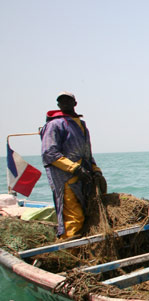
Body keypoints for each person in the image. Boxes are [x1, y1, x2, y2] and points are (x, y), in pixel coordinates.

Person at [40, 92, 105, 240]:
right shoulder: (54, 125)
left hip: (85, 176)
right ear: (58, 105)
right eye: (61, 101)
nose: (65, 103)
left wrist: (96, 170)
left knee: (88, 214)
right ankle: (71, 252)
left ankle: (85, 250)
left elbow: (87, 153)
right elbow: (49, 153)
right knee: (74, 217)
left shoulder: (81, 125)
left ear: (75, 103)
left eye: (68, 100)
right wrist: (74, 168)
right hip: (66, 179)